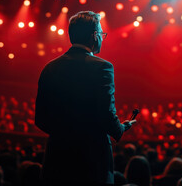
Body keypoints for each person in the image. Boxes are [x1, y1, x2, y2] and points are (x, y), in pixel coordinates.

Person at [35, 11, 136, 186]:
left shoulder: (49, 68)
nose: (103, 39)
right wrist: (121, 128)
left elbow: (40, 119)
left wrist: (64, 134)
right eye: (102, 34)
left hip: (57, 157)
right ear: (94, 36)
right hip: (91, 160)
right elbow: (106, 113)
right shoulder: (103, 67)